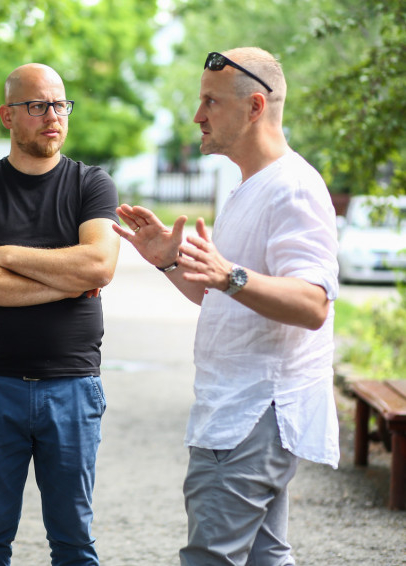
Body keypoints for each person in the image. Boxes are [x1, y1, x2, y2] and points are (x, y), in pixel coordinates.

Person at [114, 48, 339, 566]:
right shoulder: (250, 187)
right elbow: (221, 296)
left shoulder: (292, 188)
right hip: (243, 411)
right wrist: (170, 262)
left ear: (255, 106)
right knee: (264, 557)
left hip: (252, 414)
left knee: (211, 558)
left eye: (210, 102)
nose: (198, 115)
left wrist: (229, 274)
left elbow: (313, 304)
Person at [0, 63, 120, 565]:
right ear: (8, 115)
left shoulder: (92, 184)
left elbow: (99, 265)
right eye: (37, 105)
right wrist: (67, 282)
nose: (53, 116)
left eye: (60, 105)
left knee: (74, 541)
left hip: (73, 385)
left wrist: (4, 254)